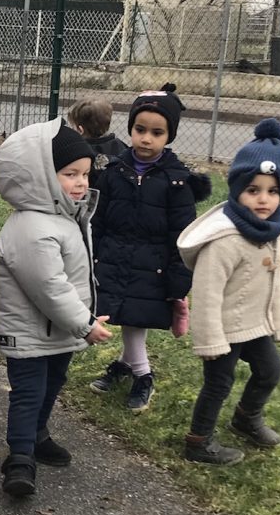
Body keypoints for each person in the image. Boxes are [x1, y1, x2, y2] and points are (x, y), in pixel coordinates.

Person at [0, 121, 111, 497]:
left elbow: (73, 276)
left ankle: (37, 435)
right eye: (69, 173)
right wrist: (84, 323)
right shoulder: (32, 227)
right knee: (28, 392)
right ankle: (20, 458)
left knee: (53, 384)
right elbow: (49, 287)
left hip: (56, 331)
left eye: (85, 174)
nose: (79, 182)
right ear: (41, 176)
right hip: (30, 331)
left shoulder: (66, 216)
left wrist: (84, 317)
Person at [178, 119, 280, 465]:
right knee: (218, 383)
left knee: (270, 371)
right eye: (253, 190)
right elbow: (207, 293)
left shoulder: (271, 230)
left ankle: (246, 418)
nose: (263, 199)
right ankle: (198, 442)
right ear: (236, 189)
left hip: (254, 324)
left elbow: (276, 281)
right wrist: (211, 341)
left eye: (272, 191)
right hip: (224, 329)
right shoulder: (225, 240)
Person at [88, 87, 209, 412]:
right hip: (114, 256)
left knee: (134, 318)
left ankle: (143, 375)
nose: (146, 139)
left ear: (169, 135)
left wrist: (178, 275)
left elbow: (183, 234)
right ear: (130, 128)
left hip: (153, 263)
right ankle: (126, 365)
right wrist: (90, 254)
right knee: (126, 315)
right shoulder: (113, 171)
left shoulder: (177, 181)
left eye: (157, 132)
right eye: (140, 130)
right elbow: (97, 218)